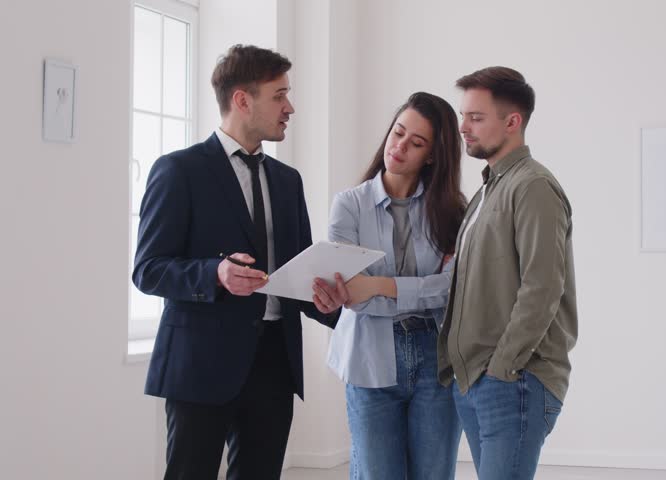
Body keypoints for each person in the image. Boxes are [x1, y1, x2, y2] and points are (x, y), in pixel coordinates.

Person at [133, 44, 346, 480]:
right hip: (199, 362)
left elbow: (297, 274)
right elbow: (148, 268)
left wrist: (332, 304)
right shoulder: (179, 170)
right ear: (242, 100)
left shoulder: (288, 182)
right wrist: (214, 273)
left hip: (273, 362)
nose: (290, 107)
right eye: (279, 95)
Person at [437, 66, 578, 479]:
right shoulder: (488, 189)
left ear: (512, 122)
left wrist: (502, 368)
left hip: (512, 380)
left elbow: (543, 287)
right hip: (479, 381)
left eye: (476, 118)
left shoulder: (532, 186)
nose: (463, 127)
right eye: (464, 116)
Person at [322, 92, 466, 479]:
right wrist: (426, 287)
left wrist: (381, 285)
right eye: (398, 133)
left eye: (416, 143)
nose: (400, 147)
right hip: (369, 357)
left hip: (436, 357)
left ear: (432, 155)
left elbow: (458, 290)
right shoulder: (348, 206)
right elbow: (354, 295)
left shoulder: (454, 210)